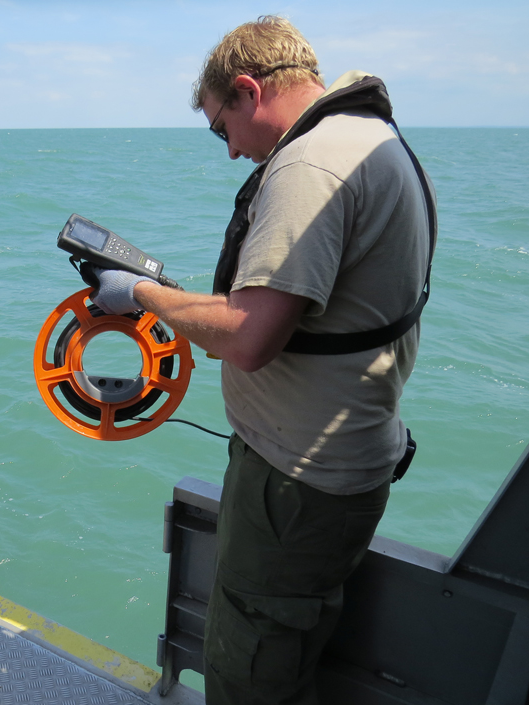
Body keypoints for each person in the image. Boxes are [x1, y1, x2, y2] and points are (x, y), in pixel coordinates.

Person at [91, 16, 434, 705]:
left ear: (249, 91)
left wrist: (140, 294)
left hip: (297, 482)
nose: (230, 151)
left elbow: (248, 336)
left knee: (251, 671)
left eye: (223, 127)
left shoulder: (309, 165)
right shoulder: (373, 136)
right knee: (287, 654)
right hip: (339, 465)